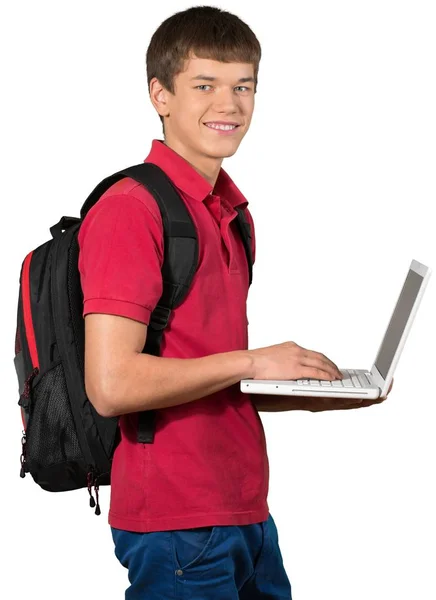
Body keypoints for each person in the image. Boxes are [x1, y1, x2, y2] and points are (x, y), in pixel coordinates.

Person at [78, 6, 393, 599]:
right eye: (204, 85)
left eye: (243, 85)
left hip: (243, 507)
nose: (229, 104)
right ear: (160, 94)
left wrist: (314, 393)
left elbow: (203, 372)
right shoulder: (132, 210)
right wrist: (253, 361)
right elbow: (112, 385)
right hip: (177, 520)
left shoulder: (229, 212)